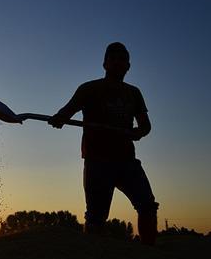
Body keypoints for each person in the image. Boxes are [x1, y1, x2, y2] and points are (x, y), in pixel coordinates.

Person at [48, 42, 159, 245]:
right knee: (96, 218)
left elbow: (145, 125)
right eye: (113, 58)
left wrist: (138, 132)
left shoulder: (134, 93)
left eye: (122, 59)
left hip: (126, 160)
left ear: (128, 66)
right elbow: (68, 109)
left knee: (147, 205)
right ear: (105, 64)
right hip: (97, 161)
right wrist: (60, 118)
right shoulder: (89, 89)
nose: (117, 62)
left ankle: (148, 252)